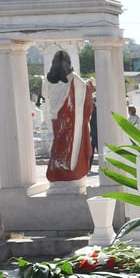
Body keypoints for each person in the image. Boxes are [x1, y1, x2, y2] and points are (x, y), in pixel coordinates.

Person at [42, 50, 95, 182]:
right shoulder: (73, 78)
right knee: (70, 143)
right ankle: (68, 171)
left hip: (56, 116)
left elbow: (45, 94)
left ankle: (58, 169)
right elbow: (86, 88)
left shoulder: (47, 79)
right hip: (70, 117)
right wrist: (91, 83)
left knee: (59, 142)